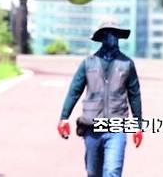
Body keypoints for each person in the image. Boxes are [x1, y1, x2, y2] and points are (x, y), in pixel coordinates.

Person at [57, 20, 143, 177]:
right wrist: (64, 117)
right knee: (92, 173)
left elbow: (135, 95)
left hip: (117, 128)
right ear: (100, 37)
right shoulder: (88, 63)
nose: (111, 37)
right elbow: (74, 90)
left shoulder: (127, 64)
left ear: (119, 37)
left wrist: (138, 126)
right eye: (107, 33)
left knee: (112, 172)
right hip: (92, 127)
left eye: (114, 33)